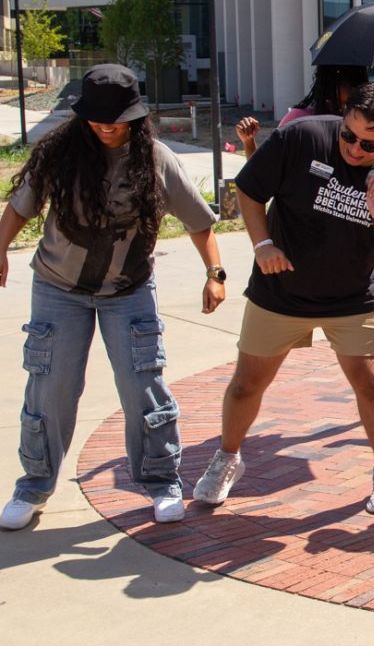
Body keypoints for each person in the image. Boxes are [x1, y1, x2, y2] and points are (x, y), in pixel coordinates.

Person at [0, 64, 226, 530]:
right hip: (59, 289)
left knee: (142, 384)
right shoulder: (59, 153)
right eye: (98, 117)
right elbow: (20, 206)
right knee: (51, 387)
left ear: (136, 116)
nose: (106, 125)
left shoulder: (155, 158)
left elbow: (198, 220)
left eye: (117, 118)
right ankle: (33, 486)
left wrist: (215, 272)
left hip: (128, 289)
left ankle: (162, 482)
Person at [193, 83, 374, 514]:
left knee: (371, 385)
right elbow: (250, 189)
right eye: (348, 136)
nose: (353, 148)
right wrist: (262, 246)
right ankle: (226, 458)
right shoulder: (302, 137)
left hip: (354, 298)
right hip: (281, 292)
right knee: (246, 385)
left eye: (367, 143)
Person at [235, 64, 374, 163]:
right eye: (337, 103)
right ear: (324, 96)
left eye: (349, 106)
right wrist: (249, 143)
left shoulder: (363, 132)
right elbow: (264, 170)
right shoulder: (299, 122)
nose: (342, 112)